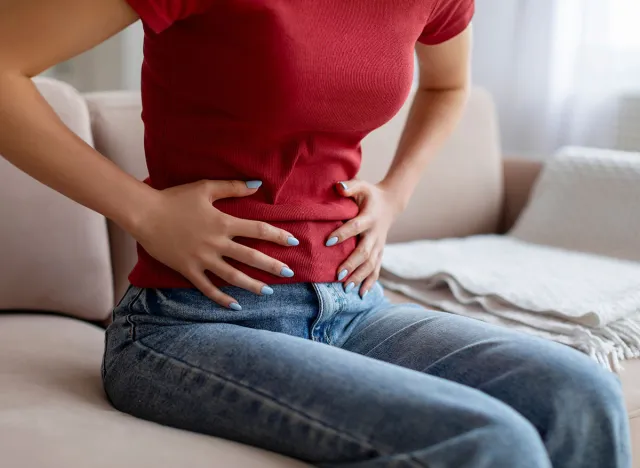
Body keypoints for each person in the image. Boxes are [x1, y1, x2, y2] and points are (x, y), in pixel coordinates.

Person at [0, 0, 631, 466]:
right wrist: (142, 212)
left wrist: (395, 194)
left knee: (582, 394)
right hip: (191, 323)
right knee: (492, 442)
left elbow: (448, 83)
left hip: (354, 308)